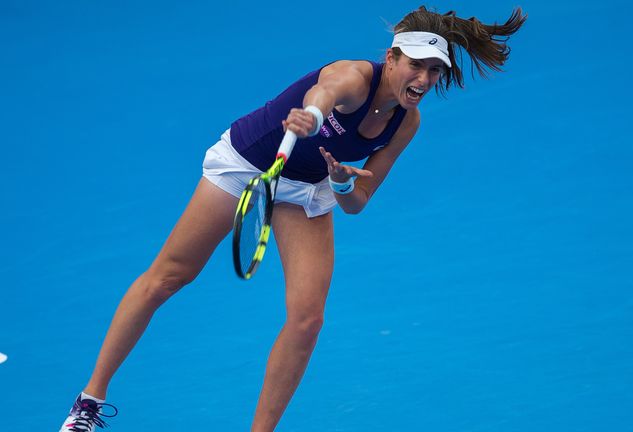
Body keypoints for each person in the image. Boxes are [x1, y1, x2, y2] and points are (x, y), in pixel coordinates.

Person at [59, 5, 526, 431]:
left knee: (307, 320)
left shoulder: (407, 123)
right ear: (391, 59)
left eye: (433, 71)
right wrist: (311, 116)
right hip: (249, 161)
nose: (423, 80)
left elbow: (358, 201)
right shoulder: (352, 77)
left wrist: (342, 181)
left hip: (307, 186)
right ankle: (88, 403)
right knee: (168, 277)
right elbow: (325, 93)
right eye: (416, 66)